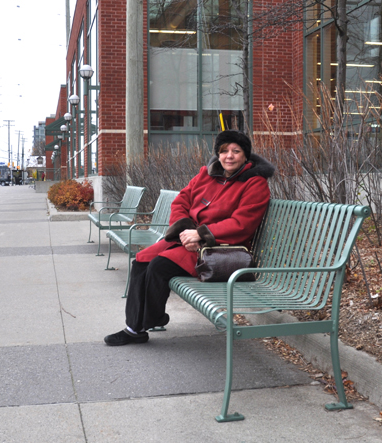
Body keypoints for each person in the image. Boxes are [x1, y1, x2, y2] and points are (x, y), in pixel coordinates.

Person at [104, 130, 275, 346]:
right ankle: (137, 326)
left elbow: (242, 223)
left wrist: (201, 234)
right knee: (141, 260)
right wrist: (185, 231)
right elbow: (180, 202)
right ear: (218, 154)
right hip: (188, 240)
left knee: (159, 266)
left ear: (245, 155)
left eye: (236, 151)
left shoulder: (255, 183)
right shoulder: (206, 174)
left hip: (220, 249)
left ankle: (141, 325)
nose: (229, 156)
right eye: (224, 151)